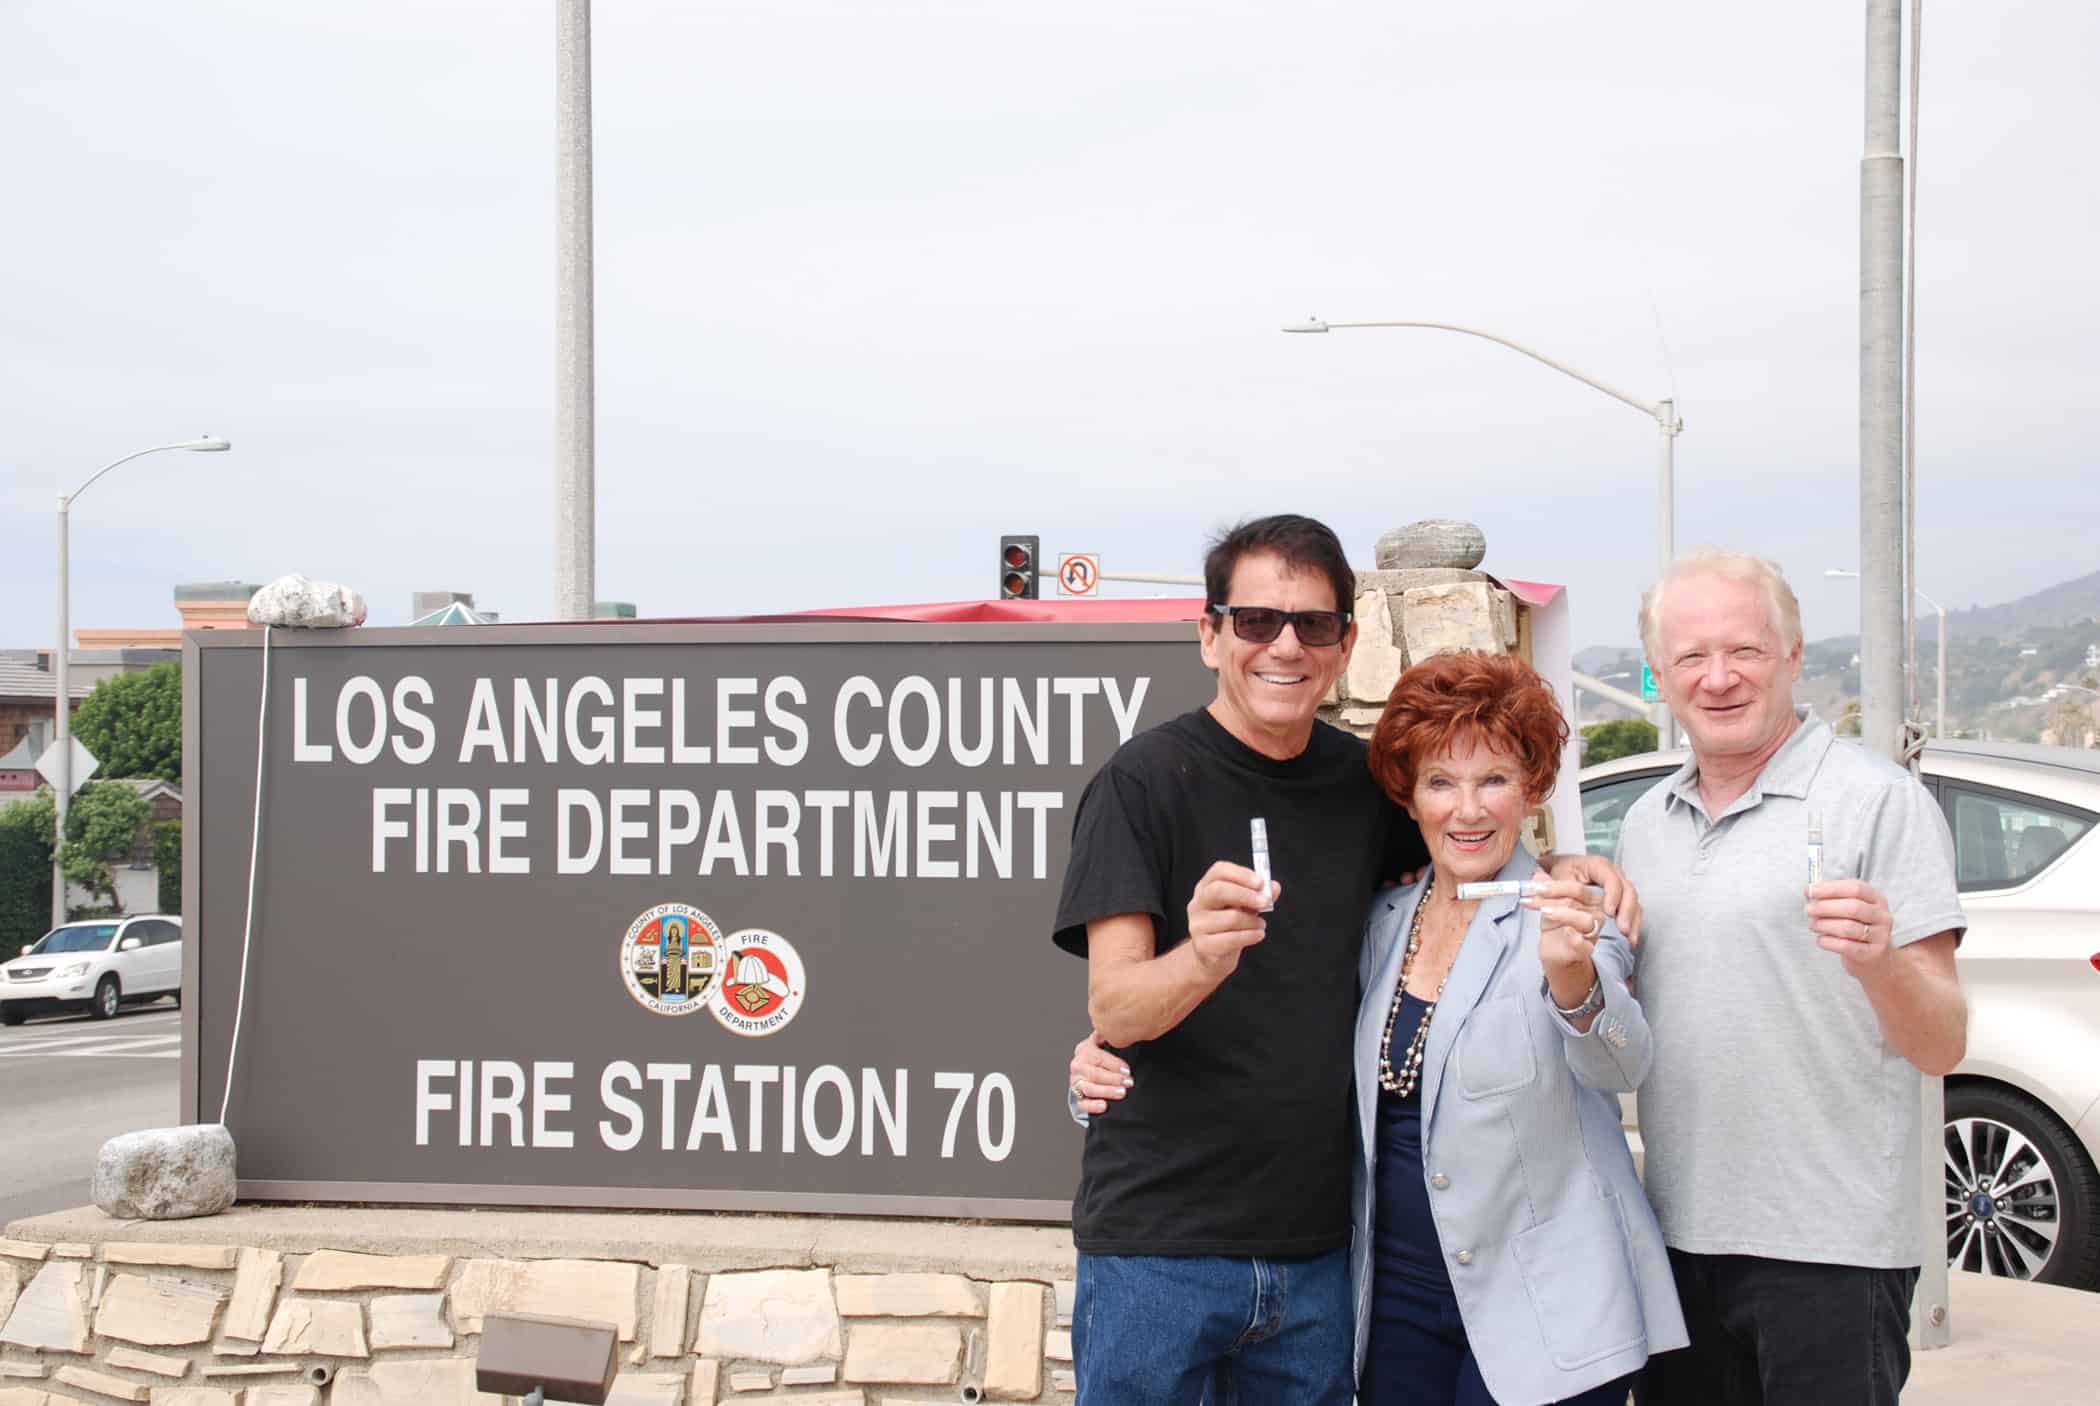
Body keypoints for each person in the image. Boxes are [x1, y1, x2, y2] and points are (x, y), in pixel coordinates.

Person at [1051, 514, 1632, 1404]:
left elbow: (1466, 847)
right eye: (1255, 621)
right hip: (1159, 1249)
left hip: (1324, 1256)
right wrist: (1202, 958)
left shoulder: (1366, 789)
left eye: (1313, 624)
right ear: (1209, 636)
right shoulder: (1143, 781)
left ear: (1345, 643)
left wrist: (1559, 869)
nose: (1283, 645)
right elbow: (1117, 1009)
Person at [1624, 550, 1966, 1406]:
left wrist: (1880, 960)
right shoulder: (1643, 822)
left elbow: (1942, 1043)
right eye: (1690, 658)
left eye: (1744, 650)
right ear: (1660, 675)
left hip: (1833, 1252)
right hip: (1675, 1241)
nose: (1718, 678)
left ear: (1794, 656)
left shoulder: (1878, 803)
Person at [1348, 650, 1686, 1405]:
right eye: (1441, 782)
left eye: (1493, 780)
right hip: (1398, 1302)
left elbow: (1621, 1065)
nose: (1467, 810)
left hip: (1552, 1306)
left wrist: (1573, 978)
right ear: (1410, 797)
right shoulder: (1380, 923)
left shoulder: (1568, 909)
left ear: (1531, 788)